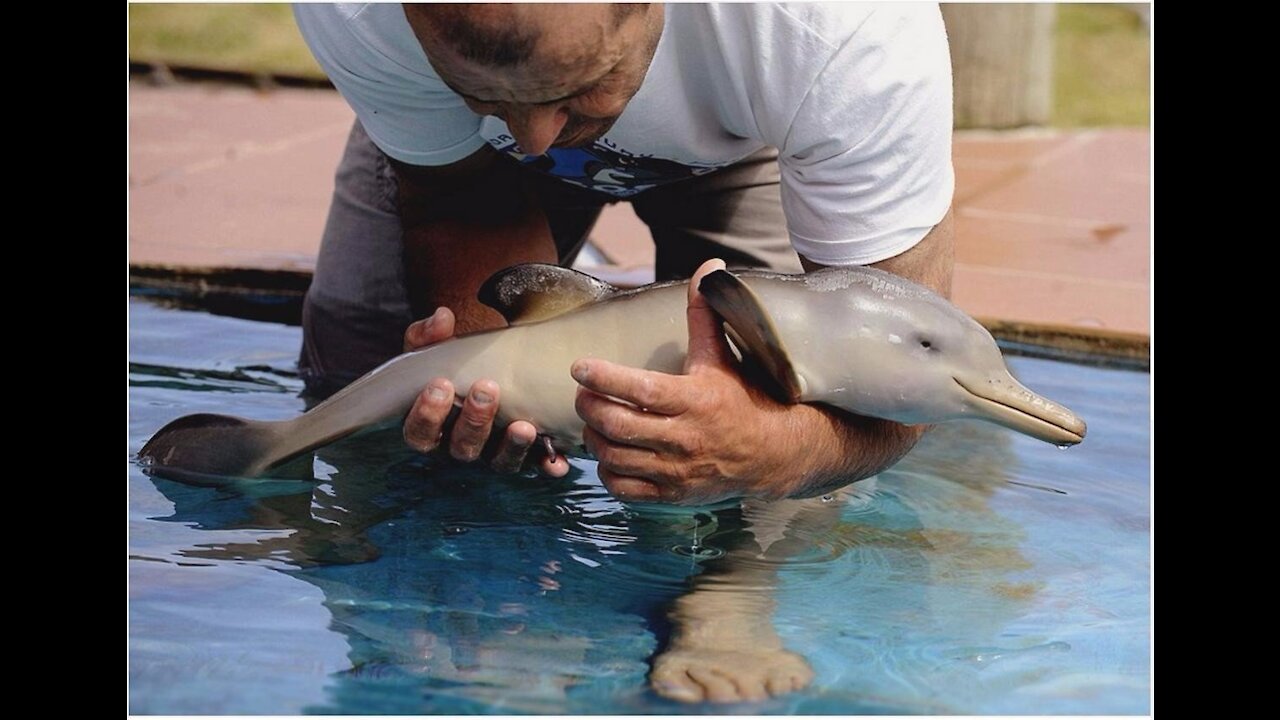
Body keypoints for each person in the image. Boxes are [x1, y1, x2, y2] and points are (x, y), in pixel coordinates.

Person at [292, 2, 955, 506]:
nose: (535, 141)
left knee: (780, 421)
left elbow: (901, 382)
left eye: (580, 87)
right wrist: (498, 376)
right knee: (358, 371)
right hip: (468, 160)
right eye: (486, 94)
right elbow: (456, 195)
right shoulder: (357, 11)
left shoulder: (844, 31)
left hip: (746, 129)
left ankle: (725, 606)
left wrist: (767, 450)